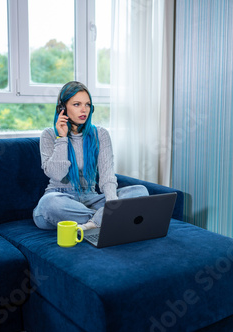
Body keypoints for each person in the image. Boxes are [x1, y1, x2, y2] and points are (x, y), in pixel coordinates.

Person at [33, 81, 148, 230]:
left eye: (87, 105)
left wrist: (112, 203)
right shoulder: (49, 135)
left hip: (91, 197)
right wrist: (62, 139)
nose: (84, 110)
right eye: (77, 104)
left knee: (139, 191)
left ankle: (94, 223)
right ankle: (107, 218)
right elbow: (57, 174)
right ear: (62, 108)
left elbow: (107, 176)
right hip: (61, 198)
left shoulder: (100, 134)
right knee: (49, 204)